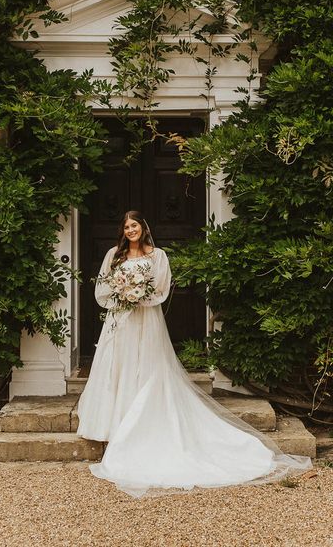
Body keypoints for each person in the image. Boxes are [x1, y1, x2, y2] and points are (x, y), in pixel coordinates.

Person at [76, 210, 313, 498]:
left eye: (134, 225)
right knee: (119, 366)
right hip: (120, 321)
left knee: (147, 366)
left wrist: (139, 296)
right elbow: (103, 287)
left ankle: (141, 424)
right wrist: (122, 296)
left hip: (146, 320)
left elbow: (161, 289)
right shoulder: (114, 255)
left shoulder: (157, 256)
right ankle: (113, 424)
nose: (130, 230)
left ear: (144, 227)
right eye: (126, 226)